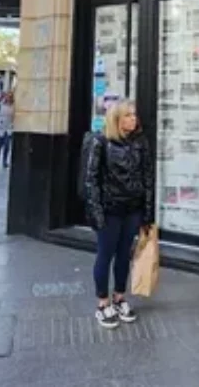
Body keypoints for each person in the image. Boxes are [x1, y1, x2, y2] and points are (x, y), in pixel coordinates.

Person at [84, 99, 154, 329]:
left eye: (134, 115)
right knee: (105, 254)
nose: (133, 119)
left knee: (125, 254)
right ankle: (103, 303)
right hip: (109, 209)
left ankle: (120, 297)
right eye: (128, 115)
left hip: (132, 208)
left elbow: (148, 177)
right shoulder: (100, 141)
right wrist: (96, 212)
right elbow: (90, 179)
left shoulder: (140, 142)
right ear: (117, 119)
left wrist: (148, 212)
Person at [0, 91, 14, 168]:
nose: (9, 98)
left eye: (11, 96)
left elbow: (14, 117)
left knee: (7, 145)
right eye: (8, 96)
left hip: (8, 129)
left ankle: (4, 161)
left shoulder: (14, 106)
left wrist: (12, 125)